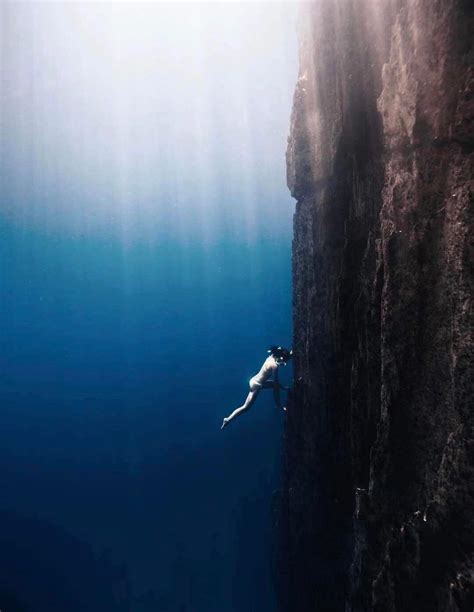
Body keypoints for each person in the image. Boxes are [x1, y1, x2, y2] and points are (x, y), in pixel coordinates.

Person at [221, 346, 292, 429]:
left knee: (274, 384)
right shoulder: (274, 366)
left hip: (257, 380)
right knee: (246, 407)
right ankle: (228, 419)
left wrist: (291, 354)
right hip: (256, 385)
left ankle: (285, 388)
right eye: (282, 360)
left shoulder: (270, 358)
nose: (282, 362)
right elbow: (275, 388)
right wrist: (278, 404)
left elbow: (280, 354)